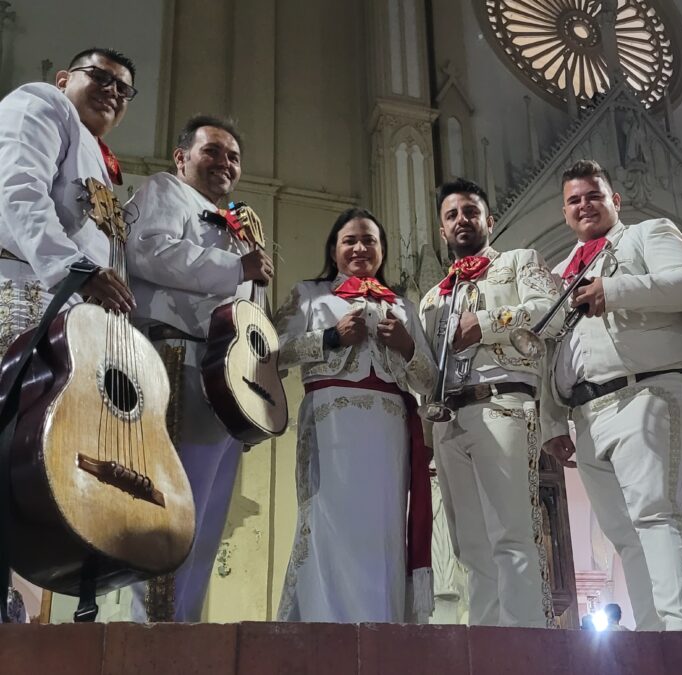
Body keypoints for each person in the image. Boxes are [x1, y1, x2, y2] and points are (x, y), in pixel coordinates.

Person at [540, 159, 682, 632]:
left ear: (616, 200)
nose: (584, 205)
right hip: (586, 412)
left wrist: (612, 289)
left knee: (658, 515)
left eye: (594, 195)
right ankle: (655, 637)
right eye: (574, 200)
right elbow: (552, 352)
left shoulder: (647, 234)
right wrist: (552, 421)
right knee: (624, 535)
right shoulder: (558, 271)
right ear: (564, 212)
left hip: (647, 389)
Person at [125, 115, 273, 621]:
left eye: (233, 156)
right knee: (167, 504)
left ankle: (178, 629)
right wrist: (238, 268)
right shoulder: (165, 190)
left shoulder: (235, 223)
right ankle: (146, 632)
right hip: (176, 359)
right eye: (212, 151)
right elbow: (146, 251)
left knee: (206, 514)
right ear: (181, 157)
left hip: (225, 378)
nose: (224, 163)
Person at [273, 208, 436, 622]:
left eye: (370, 240)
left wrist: (406, 346)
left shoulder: (402, 305)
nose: (361, 247)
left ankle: (382, 634)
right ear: (334, 248)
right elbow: (270, 352)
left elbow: (429, 381)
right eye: (351, 240)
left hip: (389, 432)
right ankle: (324, 630)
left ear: (382, 250)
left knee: (381, 534)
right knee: (329, 525)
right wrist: (329, 336)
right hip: (331, 424)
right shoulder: (309, 295)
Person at [418, 178, 560, 628]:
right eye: (452, 215)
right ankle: (485, 641)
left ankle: (524, 645)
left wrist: (485, 323)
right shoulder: (433, 296)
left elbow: (551, 307)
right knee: (469, 544)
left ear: (489, 220)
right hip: (448, 418)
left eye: (470, 212)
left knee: (511, 535)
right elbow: (426, 367)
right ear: (442, 229)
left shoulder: (519, 262)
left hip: (503, 405)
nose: (462, 220)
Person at [0, 46, 137, 353]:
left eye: (123, 88)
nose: (112, 90)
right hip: (26, 281)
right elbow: (21, 187)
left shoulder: (96, 154)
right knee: (19, 396)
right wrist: (73, 268)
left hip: (74, 302)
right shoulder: (42, 101)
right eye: (99, 77)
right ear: (63, 80)